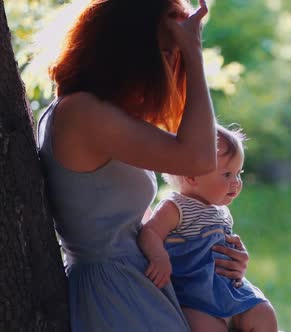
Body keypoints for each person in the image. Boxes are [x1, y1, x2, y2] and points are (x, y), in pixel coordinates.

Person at [37, 0, 249, 331]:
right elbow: (200, 158)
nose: (170, 65)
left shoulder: (96, 112)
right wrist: (193, 52)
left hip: (135, 282)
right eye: (165, 52)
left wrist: (211, 253)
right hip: (116, 293)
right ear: (128, 45)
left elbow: (134, 225)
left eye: (175, 53)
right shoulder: (81, 113)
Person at [138, 124, 278, 331]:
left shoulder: (220, 210)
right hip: (195, 297)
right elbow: (149, 232)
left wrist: (237, 254)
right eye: (227, 174)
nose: (237, 182)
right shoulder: (176, 206)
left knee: (264, 314)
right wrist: (159, 257)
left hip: (233, 292)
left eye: (238, 173)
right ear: (192, 176)